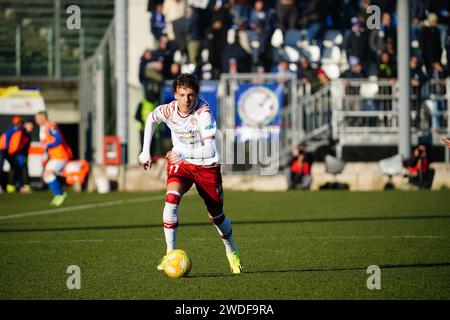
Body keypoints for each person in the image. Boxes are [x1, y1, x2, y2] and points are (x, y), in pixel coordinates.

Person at [138, 73, 243, 274]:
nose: (187, 100)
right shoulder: (169, 110)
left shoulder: (203, 112)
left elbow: (210, 149)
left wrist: (181, 152)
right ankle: (170, 255)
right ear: (175, 94)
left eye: (191, 95)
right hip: (182, 164)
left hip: (206, 165)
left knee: (216, 215)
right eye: (182, 95)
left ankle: (231, 250)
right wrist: (145, 151)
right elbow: (151, 119)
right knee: (171, 200)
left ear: (196, 95)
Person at [35, 111, 73, 207]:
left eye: (37, 118)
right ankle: (59, 194)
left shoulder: (51, 126)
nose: (36, 120)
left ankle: (59, 194)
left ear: (43, 117)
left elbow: (58, 139)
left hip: (60, 156)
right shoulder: (42, 128)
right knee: (46, 175)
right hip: (54, 156)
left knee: (48, 174)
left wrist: (47, 145)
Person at [0, 116, 26, 193]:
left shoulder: (19, 130)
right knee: (0, 167)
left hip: (8, 151)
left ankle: (20, 186)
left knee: (16, 166)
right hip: (3, 149)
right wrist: (7, 147)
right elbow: (6, 136)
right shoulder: (15, 129)